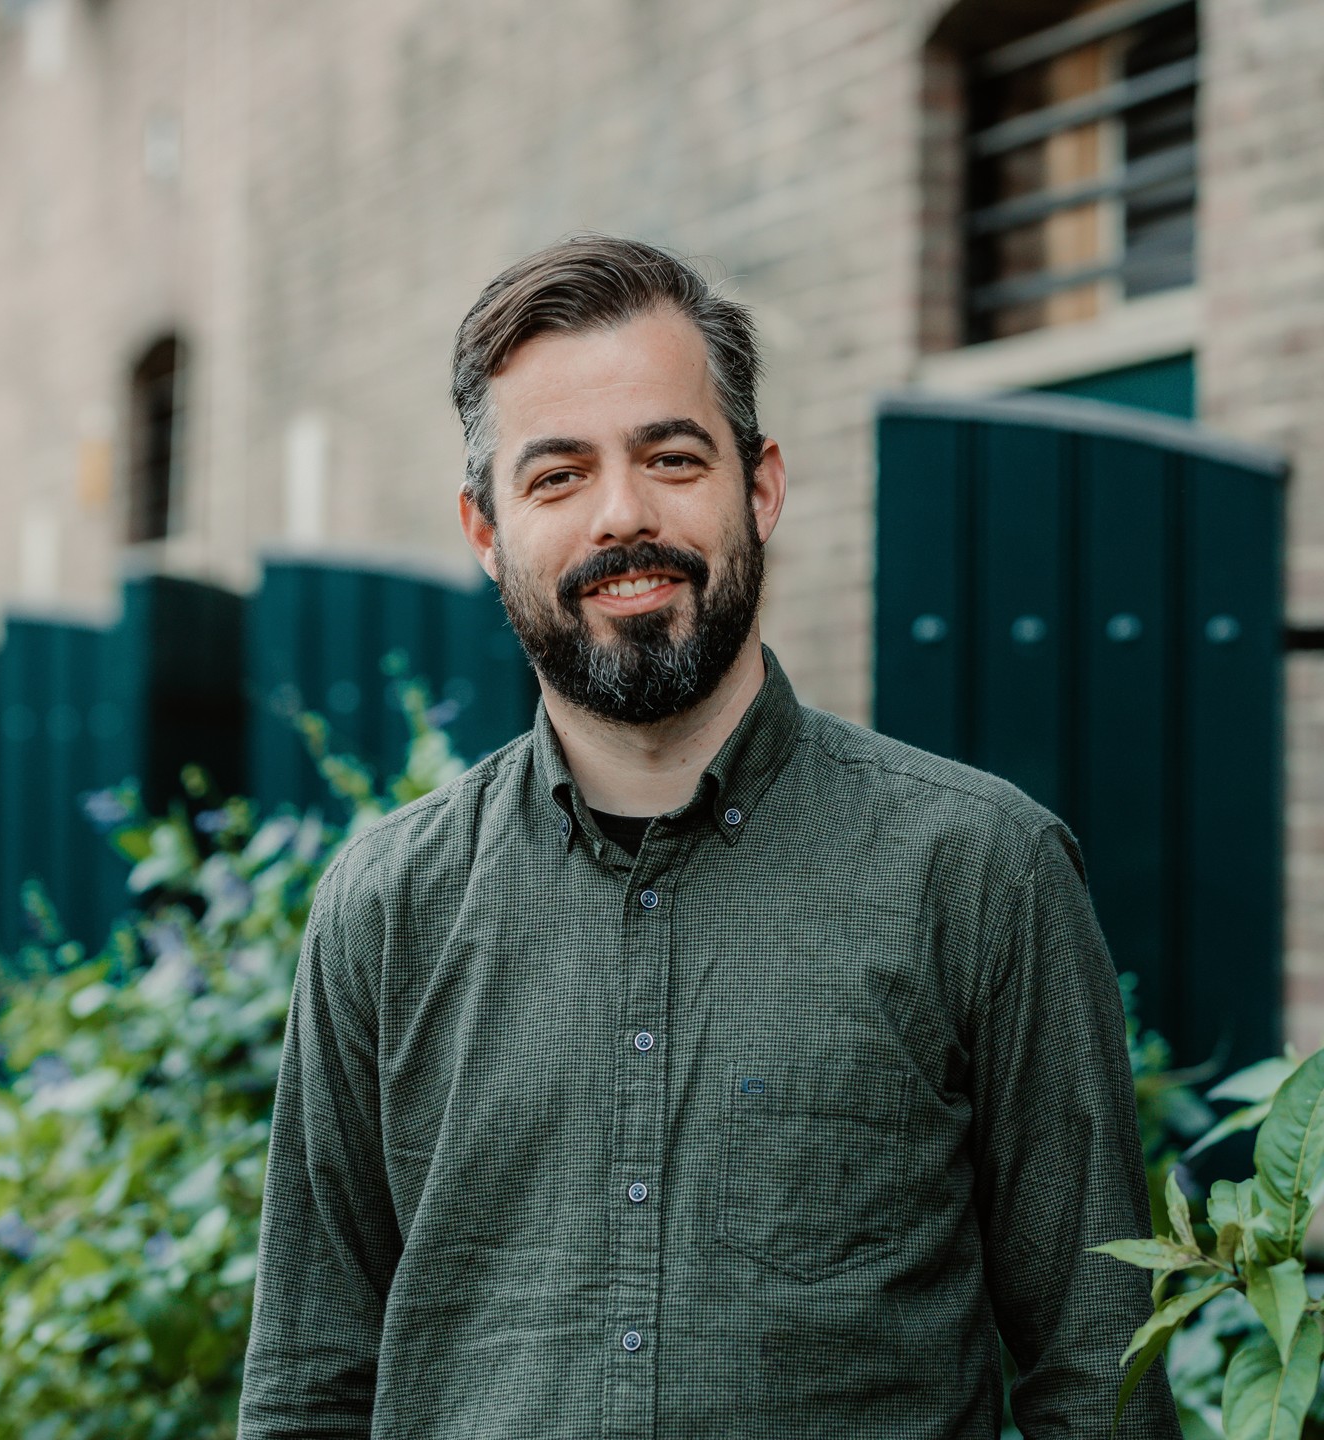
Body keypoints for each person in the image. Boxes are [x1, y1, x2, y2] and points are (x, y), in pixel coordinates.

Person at [238, 235, 1179, 1439]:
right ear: (484, 531)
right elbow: (310, 1383)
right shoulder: (384, 907)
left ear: (762, 486)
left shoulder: (981, 869)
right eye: (557, 476)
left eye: (672, 457)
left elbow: (1101, 1365)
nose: (623, 515)